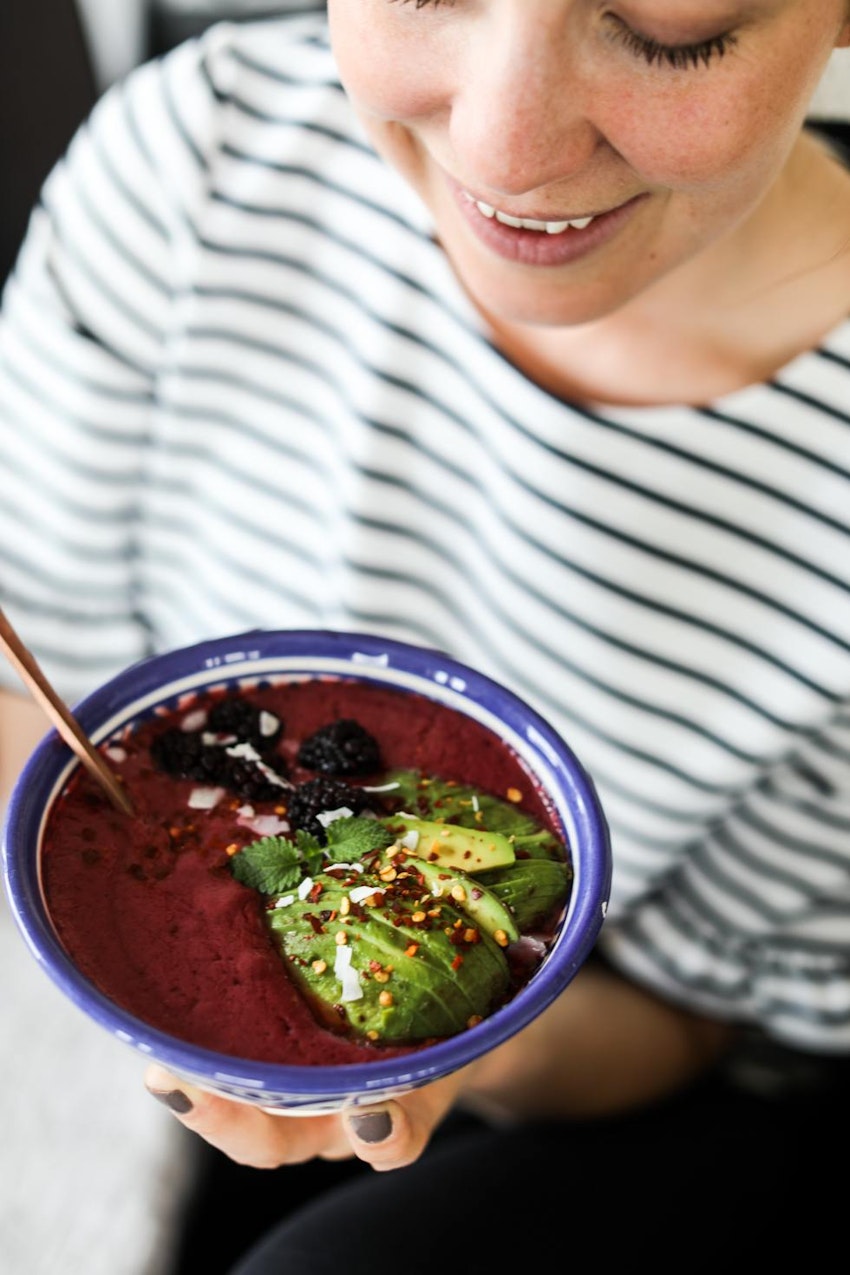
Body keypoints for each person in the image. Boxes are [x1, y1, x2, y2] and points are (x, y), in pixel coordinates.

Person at [2, 1, 850, 1269]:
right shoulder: (204, 161)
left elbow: (716, 1032)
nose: (507, 152)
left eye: (669, 30)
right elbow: (36, 677)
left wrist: (470, 1040)